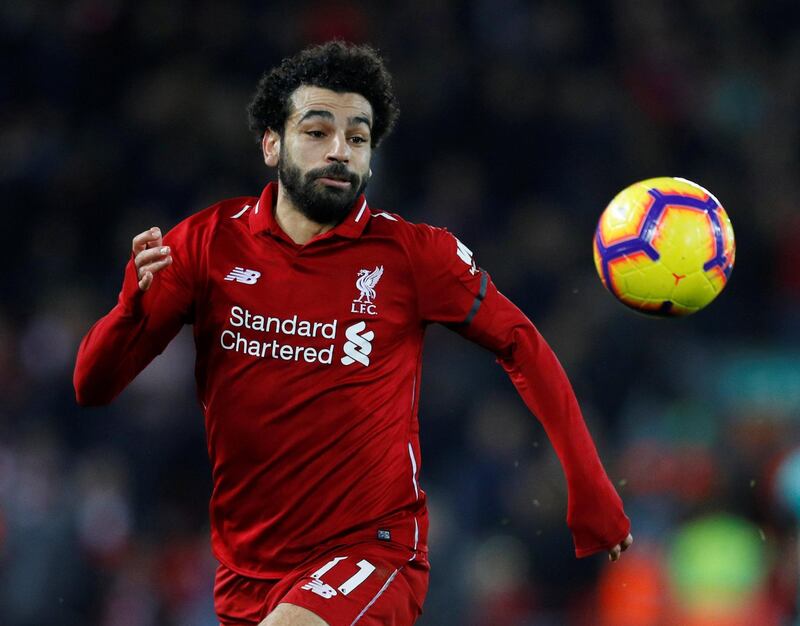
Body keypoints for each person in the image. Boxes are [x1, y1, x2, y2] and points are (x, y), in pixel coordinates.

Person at [74, 41, 632, 626]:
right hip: (246, 568)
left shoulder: (413, 255)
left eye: (358, 138)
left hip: (373, 549)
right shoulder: (207, 244)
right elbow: (93, 385)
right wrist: (129, 310)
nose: (339, 151)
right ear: (272, 143)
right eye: (317, 132)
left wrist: (589, 486)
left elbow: (523, 344)